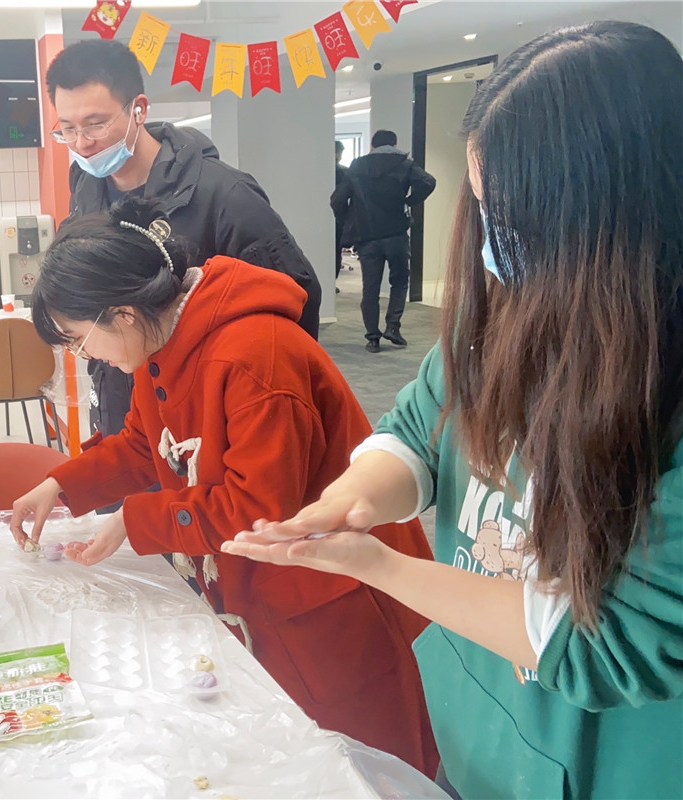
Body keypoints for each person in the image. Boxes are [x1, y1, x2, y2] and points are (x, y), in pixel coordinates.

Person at [227, 22, 683, 799]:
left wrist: (382, 567)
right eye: (483, 209)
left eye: (512, 217)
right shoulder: (508, 316)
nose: (491, 247)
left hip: (591, 757)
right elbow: (416, 424)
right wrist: (353, 499)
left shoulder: (657, 394)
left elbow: (610, 646)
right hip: (477, 717)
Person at [10, 200, 439, 778]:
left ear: (124, 315)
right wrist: (60, 484)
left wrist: (134, 521)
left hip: (330, 591)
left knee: (363, 765)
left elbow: (257, 507)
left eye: (81, 341)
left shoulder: (254, 356)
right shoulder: (162, 344)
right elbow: (144, 445)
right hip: (265, 584)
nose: (91, 359)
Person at [45, 39, 321, 439]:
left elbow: (295, 299)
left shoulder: (223, 195)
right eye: (67, 129)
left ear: (139, 108)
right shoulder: (87, 186)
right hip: (123, 400)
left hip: (208, 414)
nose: (82, 143)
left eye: (95, 124)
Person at [331, 130, 435, 353]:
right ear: (394, 144)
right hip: (396, 234)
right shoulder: (404, 164)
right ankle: (393, 327)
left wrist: (349, 219)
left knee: (370, 288)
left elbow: (337, 199)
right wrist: (410, 200)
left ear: (371, 145)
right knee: (399, 282)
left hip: (368, 238)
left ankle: (372, 338)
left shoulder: (357, 167)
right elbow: (428, 182)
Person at [333, 140, 349, 291]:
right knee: (335, 252)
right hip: (338, 217)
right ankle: (332, 282)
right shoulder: (345, 172)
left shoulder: (314, 169)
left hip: (322, 215)